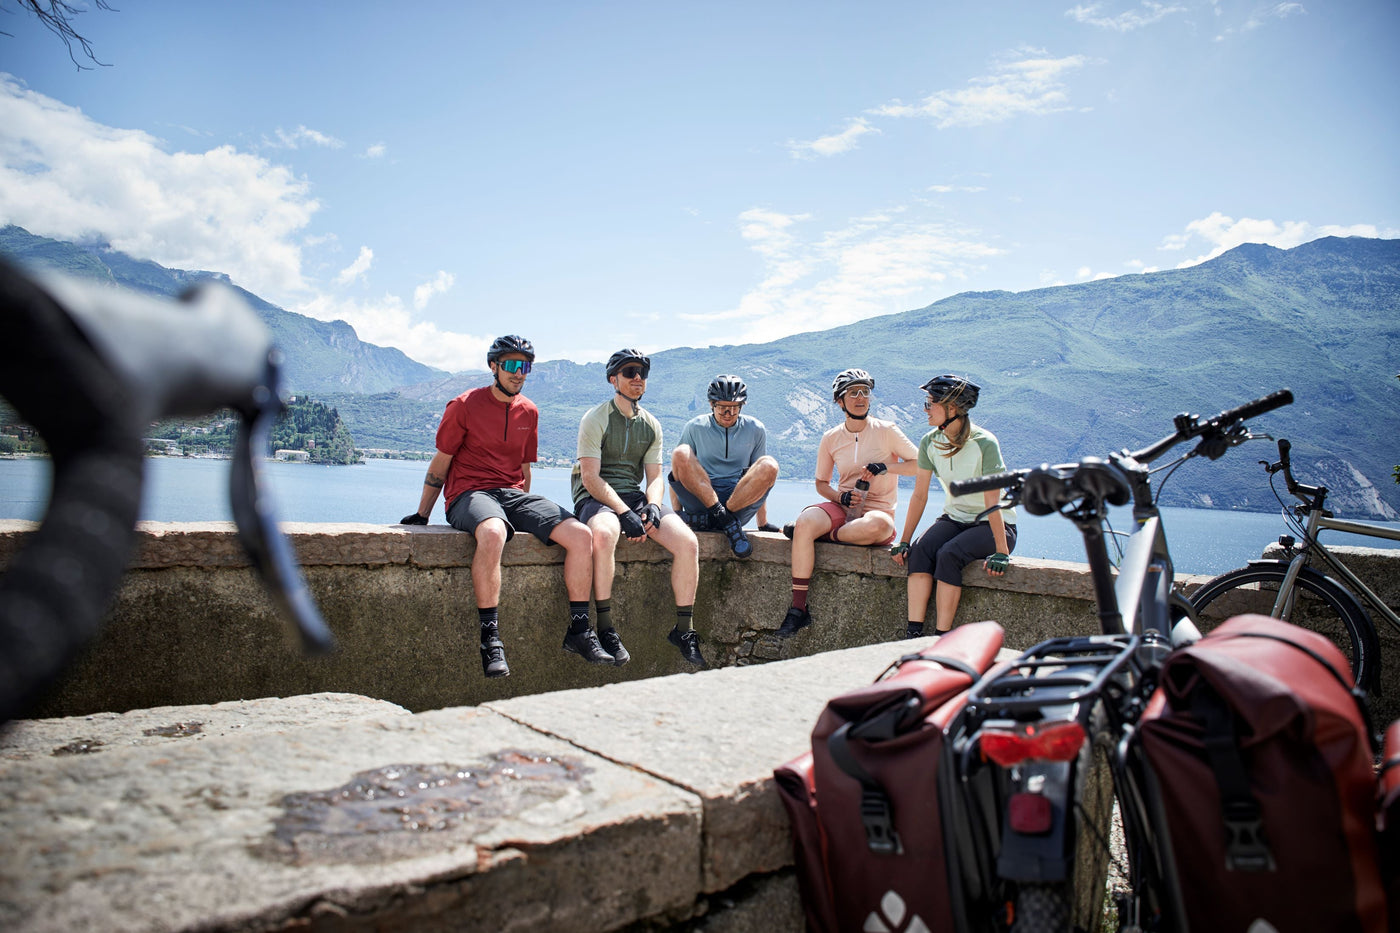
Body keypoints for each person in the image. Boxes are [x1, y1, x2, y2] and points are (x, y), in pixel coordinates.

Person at [400, 334, 599, 679]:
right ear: (493, 367)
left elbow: (523, 471)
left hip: (510, 495)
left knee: (581, 536)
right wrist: (423, 513)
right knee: (492, 533)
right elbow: (440, 463)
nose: (518, 373)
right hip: (468, 494)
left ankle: (579, 631)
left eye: (525, 367)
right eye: (510, 365)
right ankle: (490, 639)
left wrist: (527, 514)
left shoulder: (530, 411)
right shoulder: (463, 405)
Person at [571, 348, 705, 667]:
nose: (637, 378)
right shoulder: (596, 418)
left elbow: (655, 477)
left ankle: (684, 630)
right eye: (629, 372)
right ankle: (605, 628)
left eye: (642, 373)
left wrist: (654, 507)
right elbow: (590, 478)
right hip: (596, 497)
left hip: (632, 496)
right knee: (604, 535)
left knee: (688, 543)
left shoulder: (651, 425)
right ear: (612, 379)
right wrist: (623, 512)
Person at [776, 368, 919, 637]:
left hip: (877, 510)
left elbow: (921, 464)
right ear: (840, 401)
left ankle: (825, 536)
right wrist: (839, 497)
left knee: (876, 527)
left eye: (865, 391)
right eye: (853, 392)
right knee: (806, 522)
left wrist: (885, 467)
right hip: (841, 506)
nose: (861, 397)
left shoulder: (887, 430)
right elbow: (821, 483)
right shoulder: (831, 437)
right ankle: (797, 609)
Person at [890, 374, 1017, 637]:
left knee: (949, 554)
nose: (925, 409)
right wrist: (904, 540)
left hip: (994, 525)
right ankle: (912, 634)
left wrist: (1002, 551)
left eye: (930, 403)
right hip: (956, 518)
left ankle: (941, 637)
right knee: (921, 551)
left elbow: (991, 500)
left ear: (952, 408)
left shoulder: (984, 443)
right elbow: (919, 496)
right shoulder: (929, 442)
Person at [669, 374, 780, 559]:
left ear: (741, 406)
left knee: (769, 464)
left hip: (738, 499)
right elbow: (679, 470)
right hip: (702, 496)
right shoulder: (694, 427)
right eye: (722, 408)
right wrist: (677, 515)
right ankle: (727, 523)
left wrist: (763, 523)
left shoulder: (756, 429)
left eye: (733, 408)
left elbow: (758, 478)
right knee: (680, 453)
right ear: (712, 405)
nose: (728, 414)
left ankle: (719, 518)